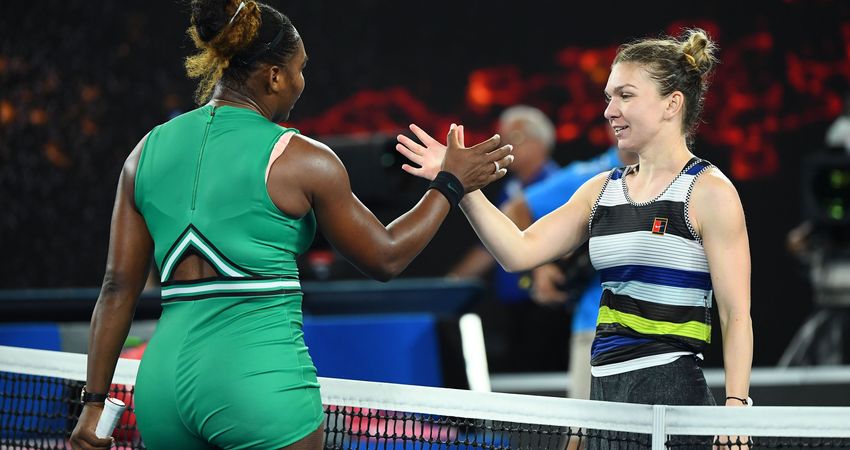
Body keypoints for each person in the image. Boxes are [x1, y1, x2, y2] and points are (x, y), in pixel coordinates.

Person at [69, 2, 513, 449]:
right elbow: (386, 255)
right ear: (274, 76)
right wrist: (450, 184)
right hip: (257, 384)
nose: (302, 83)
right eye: (300, 69)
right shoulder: (304, 158)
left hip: (161, 389)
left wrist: (93, 402)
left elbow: (116, 288)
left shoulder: (144, 152)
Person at [397, 27, 753, 432]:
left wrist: (735, 410)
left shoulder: (710, 191)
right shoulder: (600, 190)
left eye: (625, 95)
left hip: (672, 399)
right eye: (608, 97)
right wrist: (458, 185)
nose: (609, 111)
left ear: (672, 104)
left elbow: (735, 314)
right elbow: (518, 252)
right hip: (602, 395)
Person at [432, 106, 564, 373]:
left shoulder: (559, 184)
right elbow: (490, 244)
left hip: (545, 306)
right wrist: (450, 284)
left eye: (514, 136)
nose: (505, 144)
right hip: (513, 308)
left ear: (539, 142)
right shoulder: (510, 189)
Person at [505, 137, 637, 400]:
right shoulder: (590, 176)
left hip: (660, 332)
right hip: (596, 326)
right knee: (582, 435)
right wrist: (540, 268)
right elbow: (516, 208)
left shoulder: (681, 176)